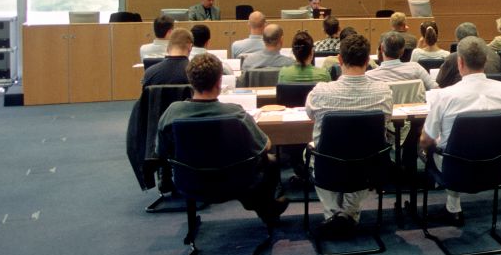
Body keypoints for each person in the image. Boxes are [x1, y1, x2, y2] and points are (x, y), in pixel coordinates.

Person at [156, 53, 288, 228]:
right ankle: (264, 208)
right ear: (219, 82)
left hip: (190, 181)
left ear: (191, 81)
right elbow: (265, 145)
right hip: (236, 182)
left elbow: (161, 152)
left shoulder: (172, 112)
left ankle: (260, 205)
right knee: (271, 161)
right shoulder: (235, 113)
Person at [420, 36, 501, 225]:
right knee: (453, 146)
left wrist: (432, 144)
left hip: (455, 169)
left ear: (459, 62)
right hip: (496, 167)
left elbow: (426, 140)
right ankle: (453, 208)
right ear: (485, 61)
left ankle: (452, 208)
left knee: (438, 144)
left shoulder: (445, 96)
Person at [305, 34, 396, 234]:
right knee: (362, 155)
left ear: (339, 59)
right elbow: (387, 119)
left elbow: (310, 114)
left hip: (328, 165)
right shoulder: (384, 92)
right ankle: (348, 214)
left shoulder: (320, 92)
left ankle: (334, 215)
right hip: (367, 166)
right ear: (368, 60)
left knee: (314, 152)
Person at [435, 22, 501, 88]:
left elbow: (440, 83)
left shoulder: (453, 58)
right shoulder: (495, 56)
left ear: (458, 40)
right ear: (477, 36)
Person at [368, 31, 436, 92]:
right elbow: (436, 89)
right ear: (402, 51)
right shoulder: (416, 68)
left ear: (382, 48)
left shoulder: (370, 76)